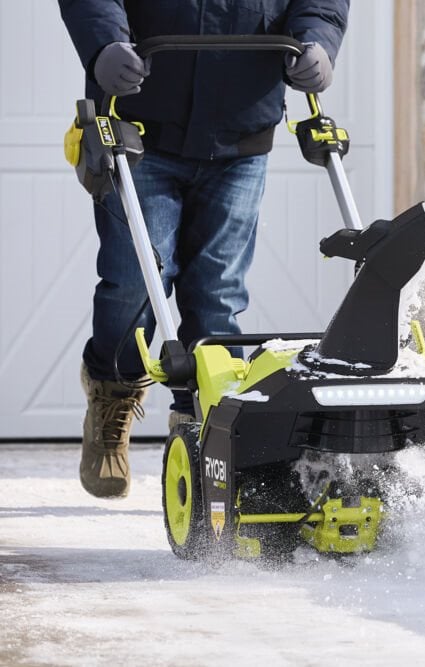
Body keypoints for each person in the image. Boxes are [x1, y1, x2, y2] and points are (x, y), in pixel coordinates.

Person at [58, 0, 350, 499]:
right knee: (134, 286)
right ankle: (111, 390)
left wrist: (318, 39)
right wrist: (104, 44)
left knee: (218, 291)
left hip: (242, 131)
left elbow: (319, 3)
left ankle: (213, 432)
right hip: (139, 127)